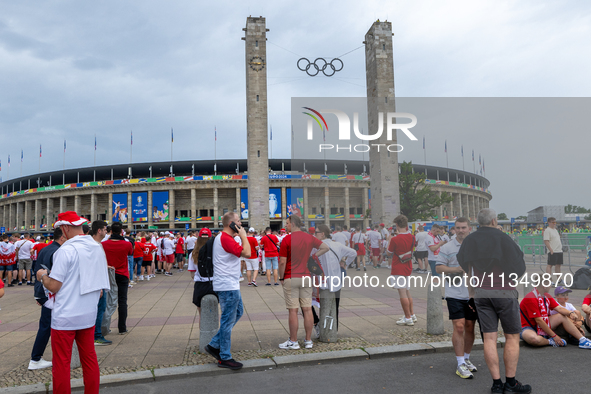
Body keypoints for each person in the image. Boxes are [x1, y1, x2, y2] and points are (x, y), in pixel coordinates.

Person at [457, 208, 531, 394]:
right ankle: (511, 383)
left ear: (477, 222)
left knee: (489, 338)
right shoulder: (502, 237)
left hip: (481, 292)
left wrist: (472, 293)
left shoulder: (470, 240)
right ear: (493, 221)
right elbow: (518, 263)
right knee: (512, 337)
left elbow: (466, 266)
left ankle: (496, 384)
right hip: (504, 291)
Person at [35, 211, 109, 394]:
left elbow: (54, 286)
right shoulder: (97, 247)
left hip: (66, 315)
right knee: (89, 359)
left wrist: (43, 276)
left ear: (65, 228)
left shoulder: (65, 250)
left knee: (61, 363)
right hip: (88, 313)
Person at [204, 212, 251, 370]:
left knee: (238, 312)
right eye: (238, 221)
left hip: (229, 284)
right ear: (231, 223)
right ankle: (224, 356)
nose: (241, 223)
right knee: (227, 320)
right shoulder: (224, 238)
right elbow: (248, 253)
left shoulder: (225, 238)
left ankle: (214, 344)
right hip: (227, 285)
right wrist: (244, 236)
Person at [278, 215, 329, 350]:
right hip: (306, 276)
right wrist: (313, 256)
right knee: (307, 309)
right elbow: (325, 247)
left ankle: (293, 341)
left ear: (293, 224)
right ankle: (308, 341)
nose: (286, 226)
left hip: (291, 276)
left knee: (293, 311)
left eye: (287, 223)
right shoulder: (309, 237)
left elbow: (282, 261)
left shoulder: (287, 239)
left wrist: (281, 277)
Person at [436, 217, 478, 379]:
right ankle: (460, 363)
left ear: (469, 228)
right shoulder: (447, 247)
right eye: (458, 228)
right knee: (459, 327)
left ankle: (466, 358)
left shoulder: (476, 247)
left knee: (469, 326)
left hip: (472, 293)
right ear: (454, 229)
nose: (461, 230)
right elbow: (439, 267)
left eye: (464, 228)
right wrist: (456, 269)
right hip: (454, 293)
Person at [28, 228, 66, 370]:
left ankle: (37, 358)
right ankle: (35, 359)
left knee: (46, 326)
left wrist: (38, 294)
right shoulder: (58, 252)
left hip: (43, 292)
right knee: (48, 327)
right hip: (51, 293)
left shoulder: (45, 248)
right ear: (62, 237)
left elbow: (37, 271)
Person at [520, 283, 591, 349]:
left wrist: (570, 313)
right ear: (544, 285)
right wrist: (554, 336)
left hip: (544, 323)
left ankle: (582, 340)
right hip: (527, 326)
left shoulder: (547, 295)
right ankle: (550, 341)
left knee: (561, 316)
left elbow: (559, 308)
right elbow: (539, 321)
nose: (550, 286)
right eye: (549, 284)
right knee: (534, 339)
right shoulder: (531, 297)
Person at [313, 224, 356, 331]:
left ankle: (323, 329)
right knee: (335, 306)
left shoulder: (316, 247)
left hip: (322, 281)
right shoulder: (337, 245)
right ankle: (334, 329)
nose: (314, 234)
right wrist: (345, 264)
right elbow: (353, 253)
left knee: (323, 306)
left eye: (316, 232)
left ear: (322, 234)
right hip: (336, 280)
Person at [101, 222, 133, 335]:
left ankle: (105, 326)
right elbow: (130, 253)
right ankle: (122, 328)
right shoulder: (127, 244)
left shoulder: (103, 244)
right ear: (121, 232)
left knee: (106, 300)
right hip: (122, 274)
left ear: (110, 231)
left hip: (108, 274)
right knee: (122, 301)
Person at [388, 215, 418, 327]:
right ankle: (412, 314)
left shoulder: (395, 239)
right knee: (407, 291)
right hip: (408, 265)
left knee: (402, 293)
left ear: (396, 225)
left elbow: (388, 252)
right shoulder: (412, 237)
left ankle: (408, 317)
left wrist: (390, 239)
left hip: (398, 266)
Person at [89, 220, 113, 346]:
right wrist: (99, 287)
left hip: (100, 283)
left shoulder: (97, 244)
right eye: (104, 229)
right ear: (99, 231)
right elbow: (92, 267)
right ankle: (96, 336)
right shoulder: (94, 246)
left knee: (100, 310)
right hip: (99, 285)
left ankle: (96, 335)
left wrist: (105, 266)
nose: (106, 231)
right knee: (99, 310)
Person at [187, 228, 216, 321]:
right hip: (214, 284)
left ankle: (203, 334)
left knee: (201, 315)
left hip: (200, 284)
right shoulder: (215, 252)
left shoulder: (193, 253)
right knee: (215, 312)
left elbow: (192, 273)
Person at [543, 217, 563, 285]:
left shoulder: (555, 230)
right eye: (553, 222)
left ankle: (559, 280)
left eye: (555, 222)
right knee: (550, 265)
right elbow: (546, 241)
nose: (554, 224)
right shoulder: (547, 230)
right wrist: (550, 249)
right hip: (553, 250)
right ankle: (549, 280)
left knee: (558, 265)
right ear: (549, 222)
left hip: (559, 250)